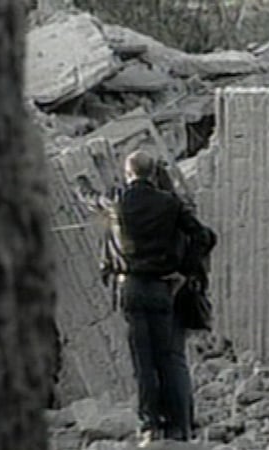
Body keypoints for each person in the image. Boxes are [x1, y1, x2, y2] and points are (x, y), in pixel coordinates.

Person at [76, 150, 211, 445]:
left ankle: (150, 426)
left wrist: (82, 186)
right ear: (152, 174)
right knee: (169, 359)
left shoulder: (117, 202)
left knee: (143, 362)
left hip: (132, 289)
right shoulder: (170, 203)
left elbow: (92, 200)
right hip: (164, 288)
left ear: (128, 174)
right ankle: (179, 428)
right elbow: (203, 236)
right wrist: (184, 271)